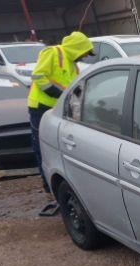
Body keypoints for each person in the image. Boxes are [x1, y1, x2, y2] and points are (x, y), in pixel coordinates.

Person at [28, 31, 94, 197]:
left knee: (56, 145)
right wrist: (60, 95)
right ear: (77, 48)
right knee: (41, 146)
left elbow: (74, 89)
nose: (85, 57)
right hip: (41, 107)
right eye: (85, 53)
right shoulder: (53, 53)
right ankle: (47, 188)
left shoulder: (73, 64)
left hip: (58, 110)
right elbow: (38, 76)